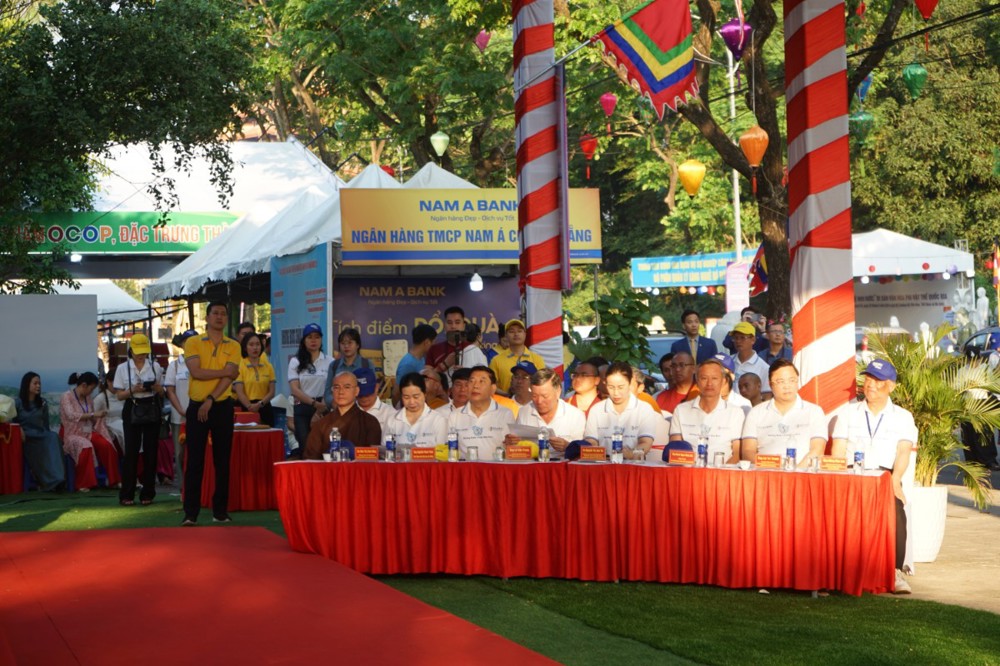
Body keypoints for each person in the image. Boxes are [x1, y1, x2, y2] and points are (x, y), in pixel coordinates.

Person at [831, 359, 917, 594]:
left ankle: (895, 571)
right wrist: (839, 477)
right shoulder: (848, 412)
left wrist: (895, 480)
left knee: (896, 510)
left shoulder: (903, 417)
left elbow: (903, 452)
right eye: (868, 378)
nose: (870, 384)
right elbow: (838, 449)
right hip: (851, 474)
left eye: (877, 380)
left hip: (883, 476)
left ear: (891, 386)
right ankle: (834, 570)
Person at [182, 302, 241, 525]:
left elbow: (230, 377)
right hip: (196, 406)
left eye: (223, 314)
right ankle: (191, 513)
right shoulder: (193, 342)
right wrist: (224, 372)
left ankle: (220, 511)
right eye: (215, 313)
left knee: (222, 461)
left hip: (221, 405)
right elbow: (196, 372)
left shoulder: (233, 345)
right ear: (206, 317)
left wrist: (211, 399)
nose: (219, 317)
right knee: (194, 461)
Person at [740, 360, 828, 466]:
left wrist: (796, 472)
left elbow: (817, 450)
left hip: (802, 472)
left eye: (791, 380)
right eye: (781, 381)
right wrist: (769, 471)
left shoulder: (814, 411)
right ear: (770, 384)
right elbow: (748, 451)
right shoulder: (756, 413)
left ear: (798, 381)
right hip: (765, 472)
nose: (787, 386)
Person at [111, 335, 162, 504]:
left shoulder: (155, 366)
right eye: (138, 352)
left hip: (151, 406)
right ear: (131, 350)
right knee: (131, 451)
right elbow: (119, 395)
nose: (141, 356)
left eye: (144, 352)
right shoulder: (122, 368)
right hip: (132, 406)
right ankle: (127, 494)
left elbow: (162, 392)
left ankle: (148, 493)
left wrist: (156, 387)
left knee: (151, 451)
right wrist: (132, 390)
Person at [670, 358, 746, 464]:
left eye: (714, 378)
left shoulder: (736, 413)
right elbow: (675, 450)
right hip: (689, 471)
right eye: (704, 378)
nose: (709, 383)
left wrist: (719, 472)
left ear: (723, 381)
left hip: (723, 471)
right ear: (697, 381)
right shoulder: (681, 410)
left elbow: (738, 454)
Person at [583, 362, 660, 460]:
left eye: (621, 387)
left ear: (630, 383)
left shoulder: (644, 409)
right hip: (603, 465)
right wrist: (597, 452)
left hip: (633, 466)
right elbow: (591, 441)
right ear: (605, 383)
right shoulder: (597, 410)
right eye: (611, 387)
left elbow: (646, 443)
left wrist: (631, 454)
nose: (616, 393)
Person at [506, 368, 586, 455]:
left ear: (558, 392)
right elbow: (517, 447)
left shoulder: (576, 416)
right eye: (534, 396)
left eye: (545, 396)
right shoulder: (523, 412)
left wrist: (568, 446)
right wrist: (512, 442)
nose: (539, 401)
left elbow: (582, 452)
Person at [304, 370, 381, 459]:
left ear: (356, 391)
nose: (341, 392)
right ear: (332, 391)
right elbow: (310, 459)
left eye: (347, 387)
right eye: (336, 387)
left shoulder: (370, 422)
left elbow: (373, 458)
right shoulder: (321, 424)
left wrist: (354, 453)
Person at [447, 366, 514, 459]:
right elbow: (449, 450)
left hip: (495, 467)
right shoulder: (455, 415)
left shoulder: (505, 414)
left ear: (493, 388)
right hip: (466, 467)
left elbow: (512, 446)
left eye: (481, 381)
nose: (475, 386)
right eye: (471, 381)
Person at [14, 372, 65, 492]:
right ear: (27, 385)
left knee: (53, 437)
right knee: (50, 439)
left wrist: (47, 436)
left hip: (41, 435)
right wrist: (19, 429)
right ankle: (52, 481)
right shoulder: (18, 403)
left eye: (39, 383)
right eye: (35, 383)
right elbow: (12, 423)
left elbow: (46, 425)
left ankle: (58, 480)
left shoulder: (43, 403)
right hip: (27, 438)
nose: (38, 386)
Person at [288, 323, 332, 457]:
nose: (313, 340)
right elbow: (294, 389)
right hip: (302, 407)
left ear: (321, 340)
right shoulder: (295, 361)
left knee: (324, 446)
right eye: (310, 337)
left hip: (323, 407)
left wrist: (320, 407)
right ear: (304, 340)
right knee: (306, 447)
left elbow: (330, 387)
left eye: (317, 337)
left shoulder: (330, 361)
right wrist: (313, 403)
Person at [165, 329, 198, 488]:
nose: (190, 344)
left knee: (197, 451)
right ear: (182, 344)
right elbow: (170, 390)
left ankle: (198, 486)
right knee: (180, 453)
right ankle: (183, 487)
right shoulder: (175, 365)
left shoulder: (204, 363)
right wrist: (180, 410)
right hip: (180, 417)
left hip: (200, 415)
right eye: (187, 341)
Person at [387, 373, 449, 448]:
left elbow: (442, 452)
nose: (412, 402)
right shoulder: (392, 420)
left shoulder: (438, 420)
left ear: (425, 394)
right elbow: (386, 450)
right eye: (406, 397)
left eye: (416, 397)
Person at [489, 318, 546, 395]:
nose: (516, 334)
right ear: (506, 335)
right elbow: (490, 385)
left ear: (525, 334)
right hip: (504, 402)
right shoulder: (496, 360)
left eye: (519, 331)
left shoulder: (537, 359)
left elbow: (542, 384)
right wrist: (507, 395)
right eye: (511, 331)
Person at [233, 332, 276, 426]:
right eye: (251, 345)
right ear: (245, 347)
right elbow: (239, 392)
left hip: (265, 406)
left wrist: (260, 404)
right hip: (247, 408)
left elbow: (272, 392)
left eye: (257, 344)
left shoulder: (268, 366)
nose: (255, 348)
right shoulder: (240, 366)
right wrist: (250, 406)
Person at [393, 323, 437, 404]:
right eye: (433, 342)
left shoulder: (421, 359)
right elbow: (396, 393)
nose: (434, 346)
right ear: (427, 342)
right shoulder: (408, 364)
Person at [730, 321, 771, 395]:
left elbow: (766, 394)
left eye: (742, 338)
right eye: (736, 338)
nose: (738, 341)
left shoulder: (764, 368)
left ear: (753, 340)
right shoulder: (728, 362)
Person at [426, 306, 469, 376]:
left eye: (457, 322)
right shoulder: (433, 349)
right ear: (444, 326)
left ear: (464, 326)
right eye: (449, 323)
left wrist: (465, 374)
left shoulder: (472, 348)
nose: (453, 326)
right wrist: (444, 365)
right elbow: (426, 378)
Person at [356, 367, 394, 434]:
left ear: (377, 387)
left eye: (368, 393)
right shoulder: (347, 412)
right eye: (360, 394)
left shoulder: (390, 414)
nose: (364, 397)